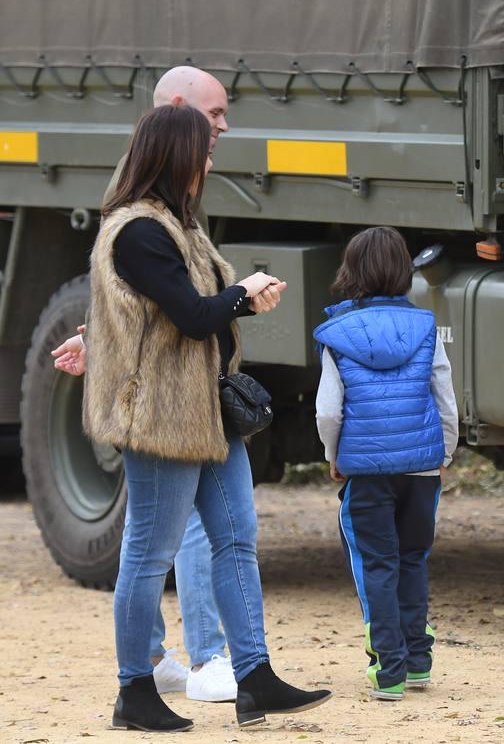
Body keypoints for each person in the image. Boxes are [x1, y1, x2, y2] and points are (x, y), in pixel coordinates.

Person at [83, 103, 330, 731]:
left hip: (210, 414)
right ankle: (133, 692)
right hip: (165, 419)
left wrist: (243, 300)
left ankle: (255, 677)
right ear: (177, 157)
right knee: (148, 555)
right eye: (205, 151)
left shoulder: (179, 225)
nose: (211, 162)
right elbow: (192, 316)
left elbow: (198, 312)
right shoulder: (139, 231)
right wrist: (241, 295)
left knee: (236, 539)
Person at [51, 66, 237, 703]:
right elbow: (160, 300)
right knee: (156, 543)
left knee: (191, 534)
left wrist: (92, 335)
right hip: (164, 407)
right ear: (178, 119)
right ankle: (168, 671)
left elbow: (142, 302)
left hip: (187, 401)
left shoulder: (172, 203)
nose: (221, 130)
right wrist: (241, 297)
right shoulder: (140, 217)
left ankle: (165, 666)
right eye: (212, 118)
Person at [312, 227, 458, 701]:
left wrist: (335, 457)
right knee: (413, 558)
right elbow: (445, 399)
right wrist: (444, 454)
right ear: (404, 270)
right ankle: (418, 662)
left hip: (368, 474)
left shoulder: (336, 334)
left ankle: (388, 669)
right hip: (420, 472)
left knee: (377, 563)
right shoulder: (424, 327)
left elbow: (328, 411)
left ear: (350, 272)